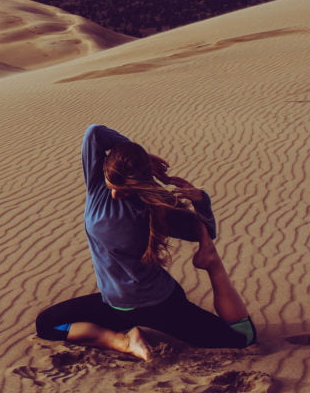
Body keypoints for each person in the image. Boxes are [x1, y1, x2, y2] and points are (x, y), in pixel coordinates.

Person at [34, 124, 256, 360]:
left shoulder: (143, 206)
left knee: (242, 338)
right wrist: (201, 201)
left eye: (123, 190)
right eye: (112, 186)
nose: (115, 194)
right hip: (122, 304)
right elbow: (206, 231)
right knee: (46, 325)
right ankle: (123, 341)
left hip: (156, 306)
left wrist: (139, 155)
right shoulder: (133, 199)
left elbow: (95, 133)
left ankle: (213, 266)